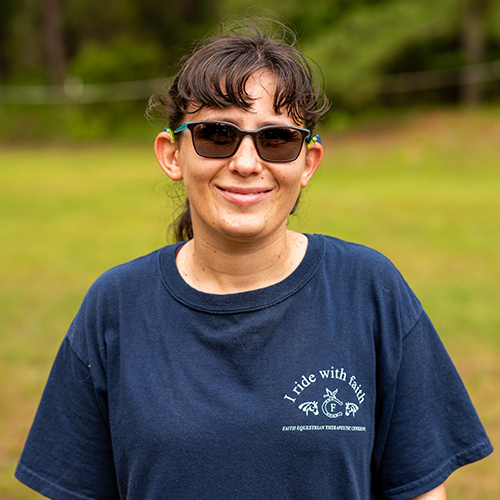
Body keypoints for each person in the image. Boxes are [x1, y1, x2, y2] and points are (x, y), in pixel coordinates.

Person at [15, 16, 492, 500]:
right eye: (217, 136)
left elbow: (421, 492)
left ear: (308, 163)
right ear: (172, 154)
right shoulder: (114, 306)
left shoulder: (369, 289)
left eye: (277, 139)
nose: (246, 163)